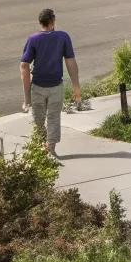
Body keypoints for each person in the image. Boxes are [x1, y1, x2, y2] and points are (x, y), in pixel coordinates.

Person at [20, 8, 81, 155]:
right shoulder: (63, 37)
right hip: (56, 87)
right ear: (53, 21)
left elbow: (24, 66)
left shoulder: (33, 39)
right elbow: (71, 62)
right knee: (54, 118)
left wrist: (26, 98)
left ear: (39, 22)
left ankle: (42, 148)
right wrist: (76, 88)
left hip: (38, 87)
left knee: (38, 120)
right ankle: (51, 148)